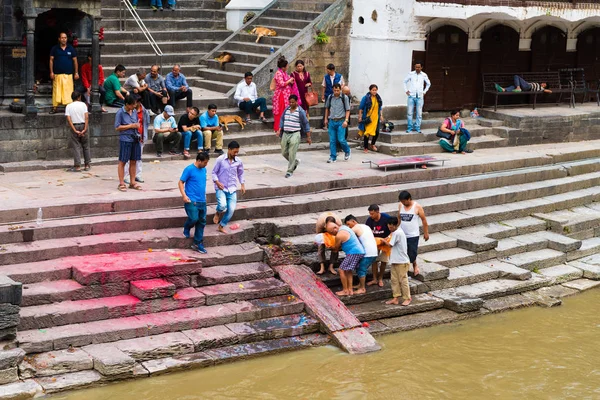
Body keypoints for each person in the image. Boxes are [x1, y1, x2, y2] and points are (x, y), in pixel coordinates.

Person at [179, 152, 210, 254]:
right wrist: (184, 195)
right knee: (193, 218)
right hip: (191, 200)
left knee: (202, 222)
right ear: (199, 161)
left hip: (202, 200)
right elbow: (180, 182)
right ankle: (187, 227)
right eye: (205, 162)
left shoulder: (204, 170)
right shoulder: (189, 169)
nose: (206, 164)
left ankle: (197, 243)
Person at [212, 141, 246, 234]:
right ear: (229, 149)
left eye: (237, 152)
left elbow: (240, 173)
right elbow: (214, 172)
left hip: (232, 188)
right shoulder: (220, 159)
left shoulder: (238, 161)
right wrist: (217, 182)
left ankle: (221, 225)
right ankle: (218, 212)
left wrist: (242, 184)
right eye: (234, 151)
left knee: (231, 210)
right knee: (222, 205)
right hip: (221, 187)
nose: (236, 153)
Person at [326, 220, 364, 296]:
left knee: (341, 270)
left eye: (331, 233)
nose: (332, 234)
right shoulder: (344, 227)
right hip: (359, 251)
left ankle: (345, 290)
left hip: (353, 252)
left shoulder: (339, 235)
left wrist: (329, 247)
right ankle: (350, 290)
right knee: (348, 270)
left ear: (335, 228)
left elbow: (336, 249)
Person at [277, 94, 312, 178]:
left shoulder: (301, 111)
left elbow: (306, 124)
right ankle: (295, 162)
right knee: (284, 152)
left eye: (293, 102)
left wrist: (308, 137)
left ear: (296, 102)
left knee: (292, 152)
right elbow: (282, 119)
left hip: (295, 133)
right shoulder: (287, 109)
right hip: (285, 133)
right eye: (290, 102)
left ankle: (290, 171)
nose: (291, 104)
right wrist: (279, 129)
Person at [379, 217, 411, 306]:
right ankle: (395, 298)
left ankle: (407, 298)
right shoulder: (394, 232)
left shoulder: (397, 233)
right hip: (395, 261)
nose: (390, 229)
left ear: (395, 225)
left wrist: (382, 240)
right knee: (394, 280)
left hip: (402, 261)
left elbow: (390, 245)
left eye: (391, 227)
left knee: (403, 280)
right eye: (389, 227)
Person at [344, 215, 378, 295]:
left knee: (361, 269)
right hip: (374, 252)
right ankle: (360, 284)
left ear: (353, 221)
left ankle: (362, 288)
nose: (349, 227)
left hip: (368, 253)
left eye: (348, 224)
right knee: (361, 268)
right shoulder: (365, 226)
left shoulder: (356, 227)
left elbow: (346, 234)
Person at [398, 190, 429, 276]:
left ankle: (415, 265)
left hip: (413, 235)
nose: (403, 203)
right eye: (401, 201)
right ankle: (405, 269)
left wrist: (426, 233)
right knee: (403, 251)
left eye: (404, 201)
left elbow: (424, 220)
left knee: (412, 252)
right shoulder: (401, 205)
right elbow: (399, 217)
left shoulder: (417, 207)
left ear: (409, 199)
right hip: (402, 233)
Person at [115, 95, 142, 192]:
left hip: (135, 138)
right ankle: (121, 183)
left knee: (134, 160)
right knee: (122, 161)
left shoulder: (134, 112)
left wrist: (136, 126)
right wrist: (131, 126)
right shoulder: (120, 113)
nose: (134, 106)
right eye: (132, 104)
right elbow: (117, 127)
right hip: (125, 139)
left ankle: (132, 182)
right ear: (127, 104)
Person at [49, 32, 78, 114]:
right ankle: (55, 108)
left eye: (65, 38)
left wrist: (76, 72)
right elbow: (51, 60)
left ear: (67, 39)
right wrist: (51, 72)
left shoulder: (71, 48)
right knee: (56, 92)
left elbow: (75, 61)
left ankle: (68, 109)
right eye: (62, 38)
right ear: (59, 39)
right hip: (57, 74)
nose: (63, 39)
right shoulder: (55, 48)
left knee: (68, 92)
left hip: (68, 74)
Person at [124, 94, 150, 185]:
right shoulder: (130, 112)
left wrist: (143, 136)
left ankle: (138, 175)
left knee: (138, 158)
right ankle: (126, 175)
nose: (134, 104)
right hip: (130, 137)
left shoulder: (144, 111)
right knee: (127, 158)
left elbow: (146, 123)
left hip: (140, 137)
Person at [365, 204, 392, 287]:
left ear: (377, 212)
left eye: (372, 214)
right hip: (375, 242)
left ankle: (380, 278)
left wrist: (388, 238)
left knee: (384, 261)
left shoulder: (386, 218)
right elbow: (367, 232)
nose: (371, 216)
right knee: (374, 260)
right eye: (370, 214)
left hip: (385, 241)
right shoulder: (369, 221)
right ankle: (374, 279)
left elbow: (393, 228)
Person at [324, 83, 351, 163]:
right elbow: (327, 108)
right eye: (335, 90)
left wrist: (346, 120)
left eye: (338, 90)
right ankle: (333, 157)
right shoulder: (330, 97)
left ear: (340, 90)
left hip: (341, 121)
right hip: (332, 121)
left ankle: (347, 151)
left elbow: (347, 110)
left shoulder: (344, 97)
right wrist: (326, 118)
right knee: (332, 140)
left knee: (341, 139)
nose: (336, 92)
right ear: (333, 90)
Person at [272, 57, 299, 133]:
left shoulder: (284, 73)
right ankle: (278, 127)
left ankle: (284, 126)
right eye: (287, 66)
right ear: (283, 67)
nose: (287, 67)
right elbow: (281, 84)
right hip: (280, 95)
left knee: (285, 111)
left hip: (286, 95)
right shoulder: (278, 73)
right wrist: (289, 80)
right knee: (280, 111)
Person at [65, 91, 90, 172]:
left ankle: (78, 166)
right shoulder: (83, 105)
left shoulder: (68, 106)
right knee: (85, 146)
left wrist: (75, 130)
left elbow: (69, 120)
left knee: (76, 146)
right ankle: (87, 164)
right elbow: (86, 117)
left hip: (75, 125)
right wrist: (85, 129)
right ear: (79, 97)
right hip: (83, 124)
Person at [403, 63, 431, 133]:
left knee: (419, 113)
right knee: (409, 112)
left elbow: (428, 84)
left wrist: (424, 91)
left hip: (420, 96)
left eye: (419, 67)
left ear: (421, 67)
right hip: (411, 96)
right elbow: (404, 81)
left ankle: (417, 127)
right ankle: (409, 127)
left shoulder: (424, 75)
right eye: (416, 67)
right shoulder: (411, 74)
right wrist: (406, 90)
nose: (417, 68)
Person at [358, 84, 384, 153]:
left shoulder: (378, 98)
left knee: (377, 132)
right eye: (373, 90)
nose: (374, 92)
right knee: (367, 133)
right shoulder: (365, 98)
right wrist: (360, 117)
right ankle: (365, 148)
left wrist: (381, 116)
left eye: (375, 90)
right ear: (370, 90)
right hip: (368, 118)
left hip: (376, 118)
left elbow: (380, 107)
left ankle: (373, 144)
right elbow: (361, 108)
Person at [321, 63, 344, 128]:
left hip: (337, 96)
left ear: (332, 70)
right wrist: (323, 95)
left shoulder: (339, 76)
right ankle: (325, 124)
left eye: (328, 70)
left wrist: (338, 90)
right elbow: (324, 86)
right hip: (328, 95)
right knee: (327, 109)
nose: (327, 72)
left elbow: (343, 84)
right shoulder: (326, 77)